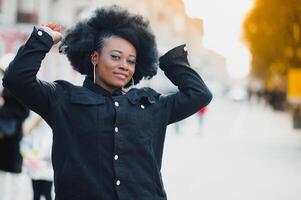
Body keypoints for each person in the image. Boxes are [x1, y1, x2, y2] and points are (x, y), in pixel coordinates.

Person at [3, 5, 212, 200]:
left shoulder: (151, 105)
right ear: (95, 57)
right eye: (115, 57)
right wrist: (43, 39)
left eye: (131, 60)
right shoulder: (63, 99)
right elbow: (16, 79)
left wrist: (165, 57)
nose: (124, 66)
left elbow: (200, 94)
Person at [0, 68, 29, 200]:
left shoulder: (18, 88)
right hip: (5, 138)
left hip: (12, 138)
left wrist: (2, 108)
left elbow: (23, 113)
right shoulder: (7, 87)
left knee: (13, 177)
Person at [22, 114, 53, 200]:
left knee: (47, 194)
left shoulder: (49, 127)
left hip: (47, 166)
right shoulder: (33, 126)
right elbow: (26, 133)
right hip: (35, 167)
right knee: (36, 194)